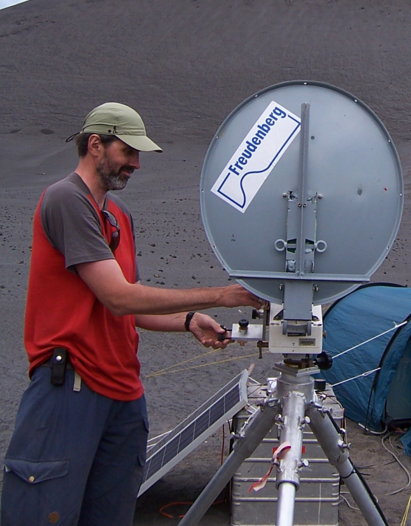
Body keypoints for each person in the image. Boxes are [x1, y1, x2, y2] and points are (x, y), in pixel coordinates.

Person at [1, 102, 264, 526]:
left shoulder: (118, 215)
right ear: (95, 145)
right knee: (44, 511)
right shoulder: (66, 199)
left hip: (123, 393)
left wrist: (189, 320)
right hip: (72, 388)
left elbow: (130, 306)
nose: (137, 164)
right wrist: (221, 295)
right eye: (128, 152)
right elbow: (119, 297)